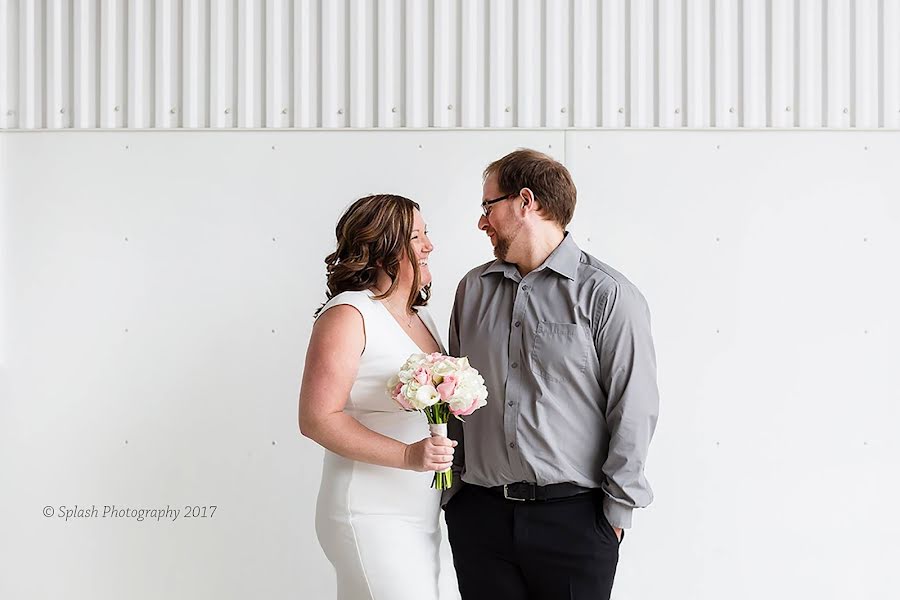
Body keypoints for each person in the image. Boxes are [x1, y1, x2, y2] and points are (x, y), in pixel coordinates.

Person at [443, 149, 659, 600]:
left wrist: (614, 515)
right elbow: (453, 395)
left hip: (575, 522)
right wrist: (455, 493)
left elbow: (633, 409)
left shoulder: (608, 295)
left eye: (488, 207)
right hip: (480, 518)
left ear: (526, 202)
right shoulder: (472, 290)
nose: (482, 222)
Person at [299, 194, 457, 600]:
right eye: (416, 237)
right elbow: (317, 418)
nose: (429, 246)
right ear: (384, 247)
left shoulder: (421, 316)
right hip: (369, 511)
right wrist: (408, 456)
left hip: (419, 512)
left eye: (426, 235)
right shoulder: (348, 314)